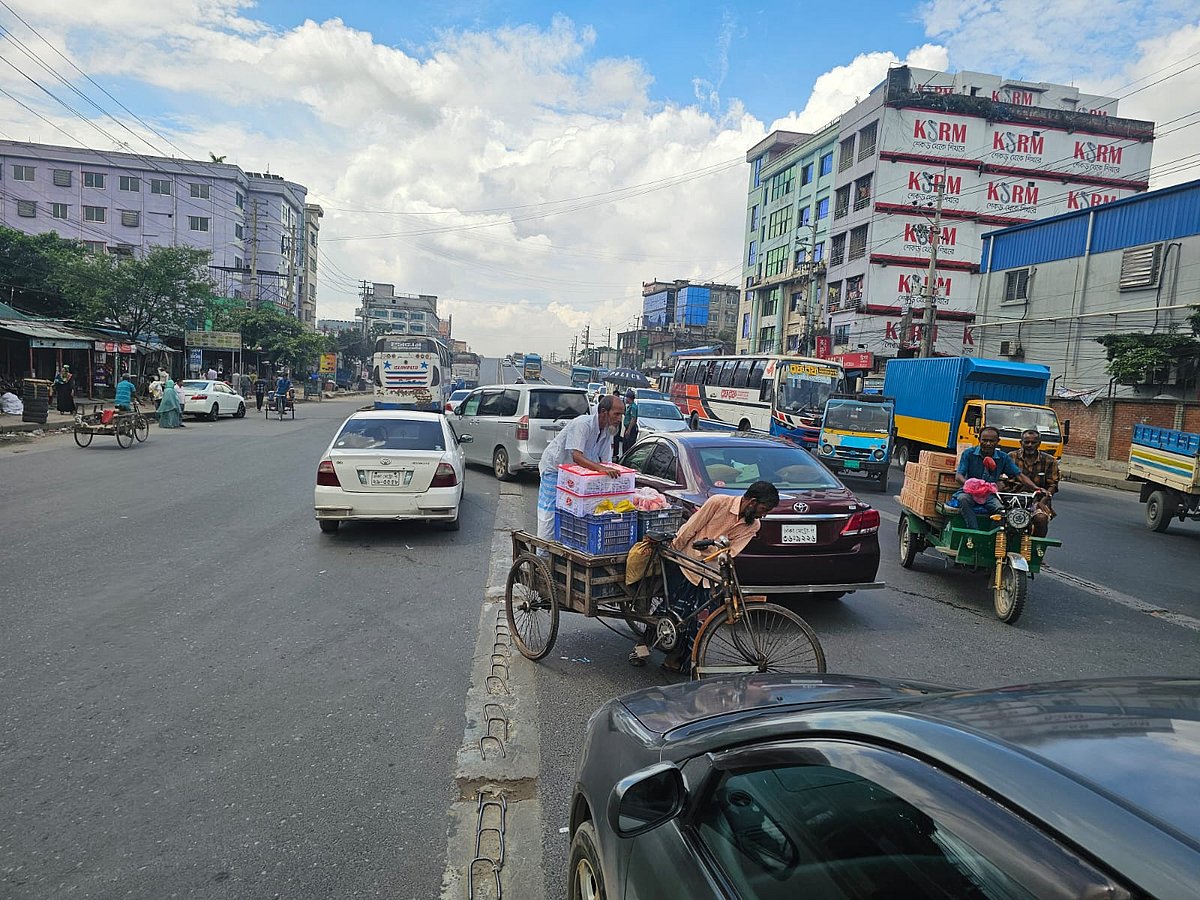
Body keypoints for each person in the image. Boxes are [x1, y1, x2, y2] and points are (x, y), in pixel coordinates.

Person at [631, 481, 780, 672]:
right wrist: (674, 551)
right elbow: (692, 527)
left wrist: (714, 551)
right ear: (751, 502)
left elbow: (732, 551)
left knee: (696, 622)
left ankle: (674, 660)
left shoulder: (753, 525)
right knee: (669, 613)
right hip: (686, 563)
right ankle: (640, 650)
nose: (764, 514)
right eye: (763, 508)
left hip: (710, 574)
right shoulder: (719, 503)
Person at [536, 394, 625, 540]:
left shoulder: (608, 431)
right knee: (550, 512)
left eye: (621, 414)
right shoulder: (583, 424)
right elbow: (576, 456)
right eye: (616, 414)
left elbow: (605, 462)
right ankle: (542, 552)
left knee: (574, 512)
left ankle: (562, 548)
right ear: (603, 412)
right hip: (555, 469)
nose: (619, 419)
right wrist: (601, 469)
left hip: (576, 474)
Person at [948, 426, 1039, 529]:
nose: (988, 444)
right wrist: (971, 485)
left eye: (992, 441)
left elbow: (1019, 475)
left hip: (989, 495)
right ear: (979, 440)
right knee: (963, 499)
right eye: (985, 440)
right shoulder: (969, 454)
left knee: (1002, 510)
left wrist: (1036, 488)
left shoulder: (1003, 457)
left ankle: (992, 535)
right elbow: (959, 476)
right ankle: (974, 532)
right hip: (969, 493)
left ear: (997, 441)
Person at [1009, 428, 1060, 537]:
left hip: (1037, 500)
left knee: (1041, 519)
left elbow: (1053, 485)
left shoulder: (1050, 460)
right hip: (1012, 499)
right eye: (1026, 442)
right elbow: (1002, 480)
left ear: (1039, 444)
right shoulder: (1011, 457)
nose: (1030, 445)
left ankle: (1036, 548)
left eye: (1033, 442)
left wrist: (1043, 501)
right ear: (1021, 443)